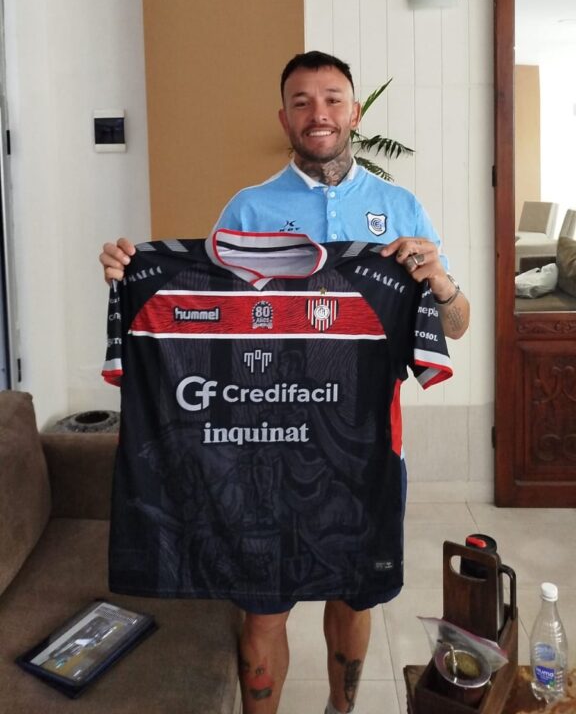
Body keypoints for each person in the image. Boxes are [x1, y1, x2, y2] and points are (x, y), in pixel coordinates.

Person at [100, 50, 469, 714]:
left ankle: (338, 709)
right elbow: (203, 321)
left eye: (332, 99)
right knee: (263, 609)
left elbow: (458, 326)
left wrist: (441, 284)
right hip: (259, 455)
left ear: (355, 112)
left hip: (365, 452)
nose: (318, 113)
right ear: (284, 118)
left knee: (352, 598)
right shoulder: (249, 208)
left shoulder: (399, 206)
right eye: (302, 102)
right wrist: (136, 278)